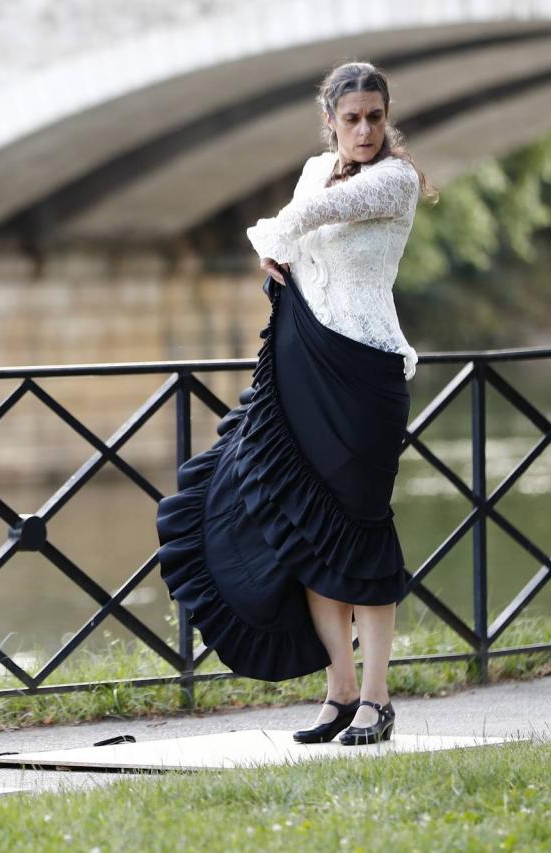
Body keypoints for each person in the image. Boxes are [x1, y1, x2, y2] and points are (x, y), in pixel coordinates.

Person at [155, 61, 432, 746]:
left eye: (374, 117)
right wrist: (277, 256)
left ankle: (378, 698)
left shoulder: (395, 181)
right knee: (310, 528)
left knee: (360, 528)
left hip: (365, 374)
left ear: (386, 117)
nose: (364, 129)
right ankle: (339, 689)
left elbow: (312, 216)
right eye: (351, 118)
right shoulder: (314, 169)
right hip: (303, 369)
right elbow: (299, 240)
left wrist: (272, 240)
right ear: (331, 120)